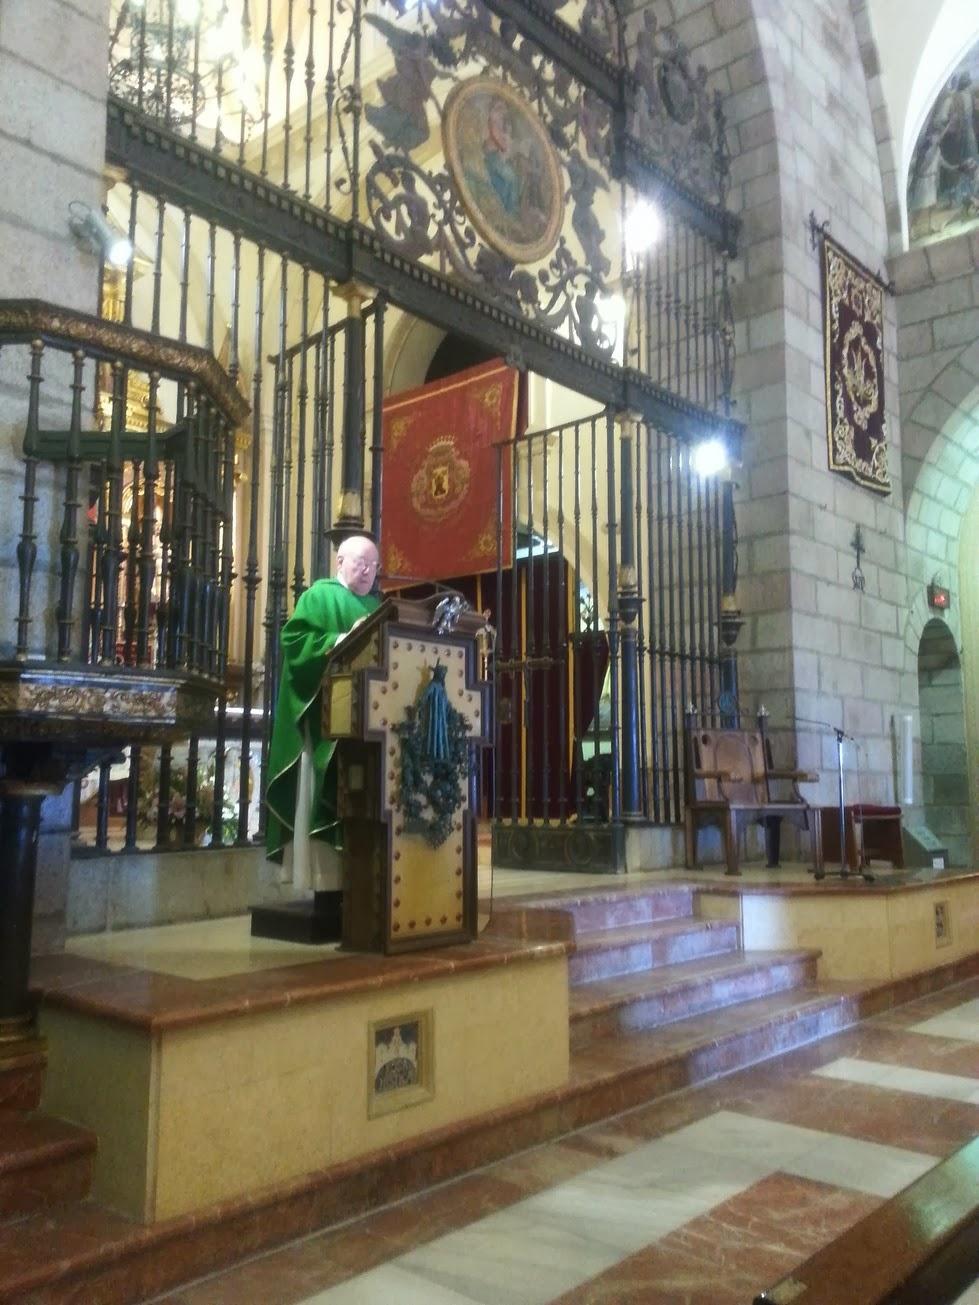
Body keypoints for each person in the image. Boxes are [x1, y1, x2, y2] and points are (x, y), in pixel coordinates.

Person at [265, 535, 381, 935]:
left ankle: (364, 886)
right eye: (361, 562)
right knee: (326, 791)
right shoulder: (320, 595)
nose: (367, 571)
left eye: (374, 565)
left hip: (371, 725)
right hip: (328, 722)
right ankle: (327, 888)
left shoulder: (380, 607)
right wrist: (338, 640)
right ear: (340, 560)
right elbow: (295, 642)